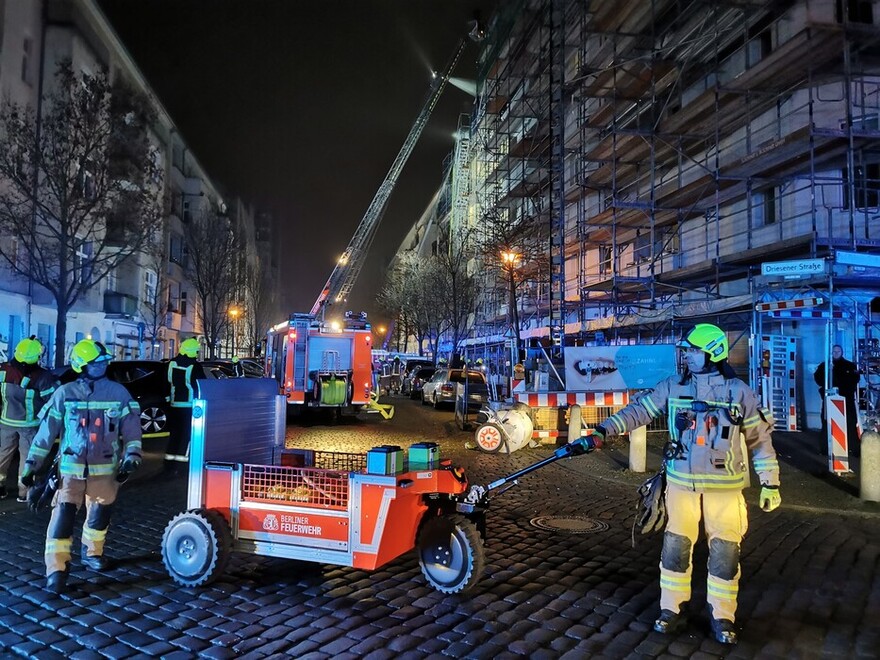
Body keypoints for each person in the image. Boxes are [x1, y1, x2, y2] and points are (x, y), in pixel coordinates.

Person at [582, 324, 780, 645]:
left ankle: (723, 616)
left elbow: (760, 440)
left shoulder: (739, 392)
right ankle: (672, 609)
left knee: (725, 551)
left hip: (724, 488)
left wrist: (770, 483)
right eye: (686, 350)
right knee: (675, 547)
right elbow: (639, 412)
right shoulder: (673, 386)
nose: (686, 355)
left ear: (712, 353)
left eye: (692, 350)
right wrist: (603, 431)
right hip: (680, 485)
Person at [20, 339, 142, 594]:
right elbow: (45, 433)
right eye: (97, 363)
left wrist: (132, 456)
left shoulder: (118, 393)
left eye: (104, 362)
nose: (103, 366)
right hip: (70, 471)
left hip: (106, 472)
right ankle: (56, 571)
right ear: (82, 366)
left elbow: (131, 429)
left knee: (99, 517)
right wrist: (31, 464)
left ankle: (93, 554)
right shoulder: (64, 393)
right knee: (62, 519)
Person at [0, 337, 58, 502]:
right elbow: (52, 400)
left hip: (6, 421)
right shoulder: (42, 376)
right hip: (30, 424)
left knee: (2, 454)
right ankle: (24, 493)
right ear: (37, 357)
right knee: (28, 458)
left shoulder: (3, 370)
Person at [165, 338, 206, 469]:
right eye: (196, 351)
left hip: (173, 404)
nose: (197, 353)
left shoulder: (171, 363)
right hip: (189, 405)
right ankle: (182, 463)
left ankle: (169, 461)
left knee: (175, 433)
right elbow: (201, 384)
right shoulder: (195, 366)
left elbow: (165, 382)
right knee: (187, 434)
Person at [813, 344, 860, 454]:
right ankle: (825, 449)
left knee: (850, 422)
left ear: (842, 352)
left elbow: (855, 379)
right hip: (829, 398)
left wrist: (845, 389)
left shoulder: (850, 366)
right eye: (834, 351)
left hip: (846, 399)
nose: (836, 353)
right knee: (826, 422)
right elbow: (818, 379)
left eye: (838, 351)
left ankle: (854, 448)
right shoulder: (825, 365)